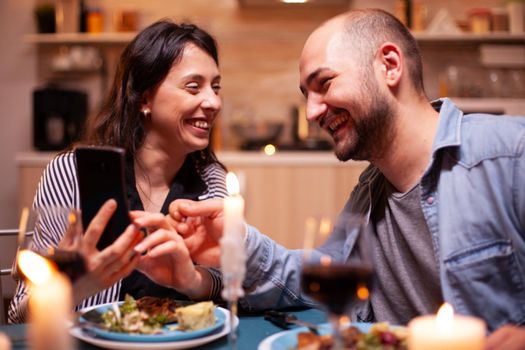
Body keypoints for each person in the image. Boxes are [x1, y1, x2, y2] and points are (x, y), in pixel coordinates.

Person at [165, 9, 525, 349]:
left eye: (325, 83)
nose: (312, 112)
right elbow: (313, 281)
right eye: (307, 96)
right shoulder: (370, 192)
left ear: (390, 65)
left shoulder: (511, 154)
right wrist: (236, 244)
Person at [8, 19, 228, 323]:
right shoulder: (70, 173)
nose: (214, 101)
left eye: (215, 87)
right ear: (145, 98)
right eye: (194, 87)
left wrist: (192, 279)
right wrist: (76, 285)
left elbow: (225, 284)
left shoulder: (210, 179)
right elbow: (19, 314)